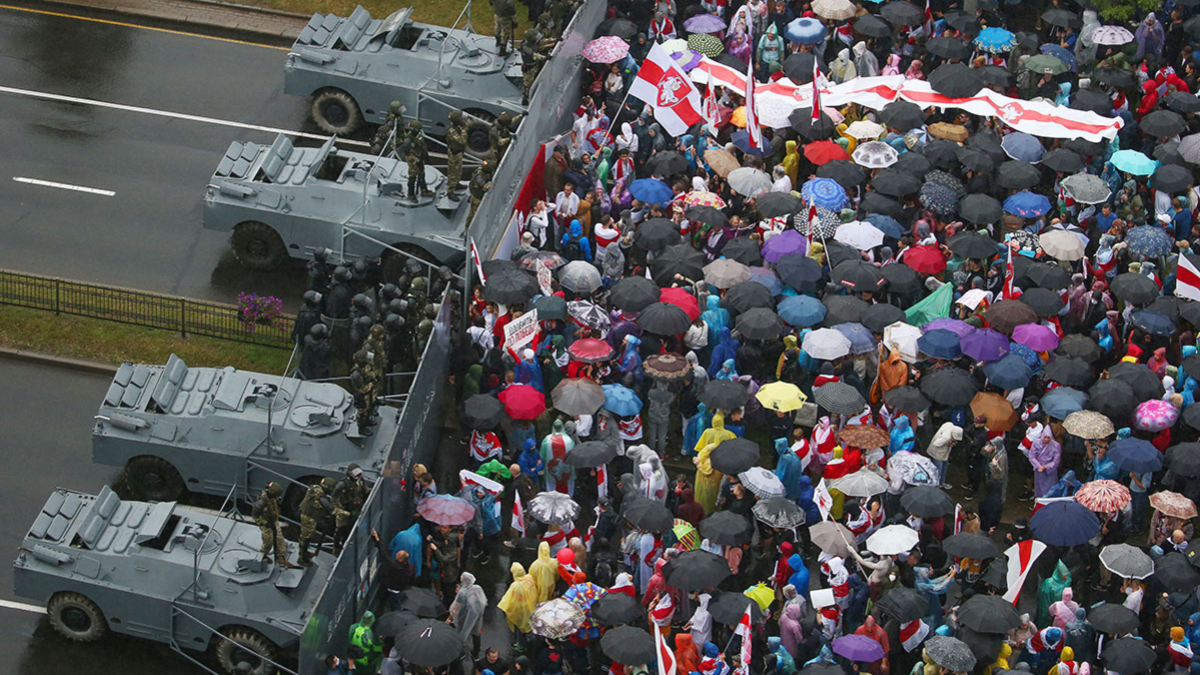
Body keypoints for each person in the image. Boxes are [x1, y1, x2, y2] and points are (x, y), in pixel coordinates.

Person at [298, 477, 348, 566]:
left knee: (308, 536)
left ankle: (305, 553)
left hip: (311, 516)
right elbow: (329, 508)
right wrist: (345, 513)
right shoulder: (319, 495)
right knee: (306, 537)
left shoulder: (315, 488)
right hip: (308, 517)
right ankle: (302, 558)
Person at [498, 563, 538, 652]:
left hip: (520, 610)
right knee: (528, 625)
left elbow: (509, 598)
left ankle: (521, 645)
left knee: (520, 628)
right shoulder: (529, 578)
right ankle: (530, 640)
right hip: (530, 606)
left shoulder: (516, 585)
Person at [252, 481, 293, 568]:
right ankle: (263, 555)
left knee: (280, 539)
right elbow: (255, 515)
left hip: (273, 521)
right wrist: (263, 523)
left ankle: (280, 557)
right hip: (266, 523)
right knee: (268, 541)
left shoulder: (273, 499)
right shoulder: (261, 502)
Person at [448, 572, 487, 657]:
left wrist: (449, 618)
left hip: (463, 616)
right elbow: (483, 601)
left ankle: (459, 653)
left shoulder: (462, 593)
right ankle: (476, 652)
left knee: (461, 633)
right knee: (476, 634)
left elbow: (455, 608)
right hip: (477, 616)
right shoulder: (477, 588)